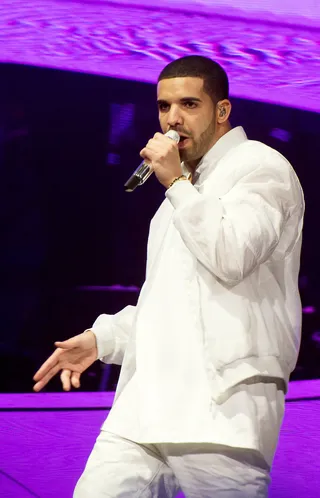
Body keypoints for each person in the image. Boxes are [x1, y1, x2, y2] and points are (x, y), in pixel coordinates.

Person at [33, 56, 304, 497]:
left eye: (189, 104)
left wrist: (177, 184)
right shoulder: (180, 195)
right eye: (163, 106)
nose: (172, 119)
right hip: (144, 409)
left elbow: (231, 255)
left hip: (220, 414)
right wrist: (105, 338)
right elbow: (172, 302)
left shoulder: (260, 166)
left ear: (222, 111)